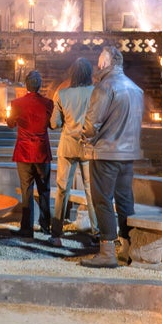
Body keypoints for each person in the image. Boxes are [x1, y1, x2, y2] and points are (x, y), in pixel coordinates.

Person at [79, 45, 144, 268]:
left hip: (106, 152)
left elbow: (91, 124)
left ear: (106, 62)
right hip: (128, 153)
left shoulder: (104, 87)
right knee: (125, 200)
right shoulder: (136, 89)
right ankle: (129, 248)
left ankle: (107, 252)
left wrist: (83, 135)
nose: (97, 63)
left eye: (100, 59)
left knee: (102, 200)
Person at [48, 56, 99, 247]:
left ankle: (56, 233)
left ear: (73, 74)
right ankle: (97, 232)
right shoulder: (96, 93)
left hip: (68, 146)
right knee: (91, 191)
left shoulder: (62, 94)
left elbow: (54, 123)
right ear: (89, 74)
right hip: (89, 147)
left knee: (62, 190)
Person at [6, 70, 53, 240]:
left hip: (24, 151)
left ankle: (27, 228)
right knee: (44, 189)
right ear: (40, 85)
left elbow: (10, 124)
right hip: (41, 151)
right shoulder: (48, 103)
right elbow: (52, 125)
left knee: (26, 190)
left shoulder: (17, 103)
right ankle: (46, 225)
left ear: (26, 85)